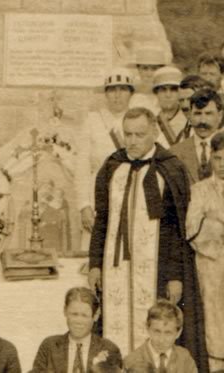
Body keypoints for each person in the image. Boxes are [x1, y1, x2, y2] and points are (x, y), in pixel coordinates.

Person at [88, 107, 208, 371]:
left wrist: (175, 275)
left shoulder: (170, 168)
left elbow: (178, 229)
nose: (132, 141)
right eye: (128, 134)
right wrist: (95, 262)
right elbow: (102, 219)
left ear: (154, 132)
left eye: (139, 134)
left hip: (156, 270)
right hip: (115, 269)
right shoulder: (111, 166)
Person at [75, 68, 134, 249]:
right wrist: (84, 205)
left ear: (130, 93)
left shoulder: (138, 119)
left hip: (131, 193)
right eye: (112, 90)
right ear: (105, 94)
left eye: (123, 89)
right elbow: (82, 166)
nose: (117, 95)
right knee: (95, 250)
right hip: (99, 194)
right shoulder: (93, 121)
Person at [186, 131, 224, 372]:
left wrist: (216, 218)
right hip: (211, 265)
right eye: (219, 158)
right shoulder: (199, 190)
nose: (223, 165)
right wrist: (213, 225)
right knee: (214, 319)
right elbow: (191, 228)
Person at [31, 287, 122, 372]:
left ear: (95, 316)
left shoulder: (108, 348)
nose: (78, 321)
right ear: (65, 311)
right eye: (74, 314)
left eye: (84, 315)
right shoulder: (49, 346)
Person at [124, 299, 197, 373]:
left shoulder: (185, 359)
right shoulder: (131, 360)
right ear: (147, 328)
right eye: (157, 331)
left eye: (168, 333)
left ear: (179, 333)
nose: (161, 340)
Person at [171, 88, 223, 184]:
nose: (202, 120)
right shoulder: (175, 153)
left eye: (208, 114)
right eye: (197, 114)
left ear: (220, 116)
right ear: (190, 116)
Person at [153, 66, 187, 146]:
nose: (168, 95)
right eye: (163, 89)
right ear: (156, 93)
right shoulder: (150, 119)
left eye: (173, 89)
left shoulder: (187, 121)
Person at [176, 75, 214, 143]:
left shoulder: (218, 130)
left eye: (189, 99)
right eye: (181, 100)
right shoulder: (181, 136)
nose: (185, 105)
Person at [129, 46, 166, 114]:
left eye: (154, 69)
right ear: (138, 70)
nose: (149, 74)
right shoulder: (133, 98)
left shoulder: (169, 94)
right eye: (145, 68)